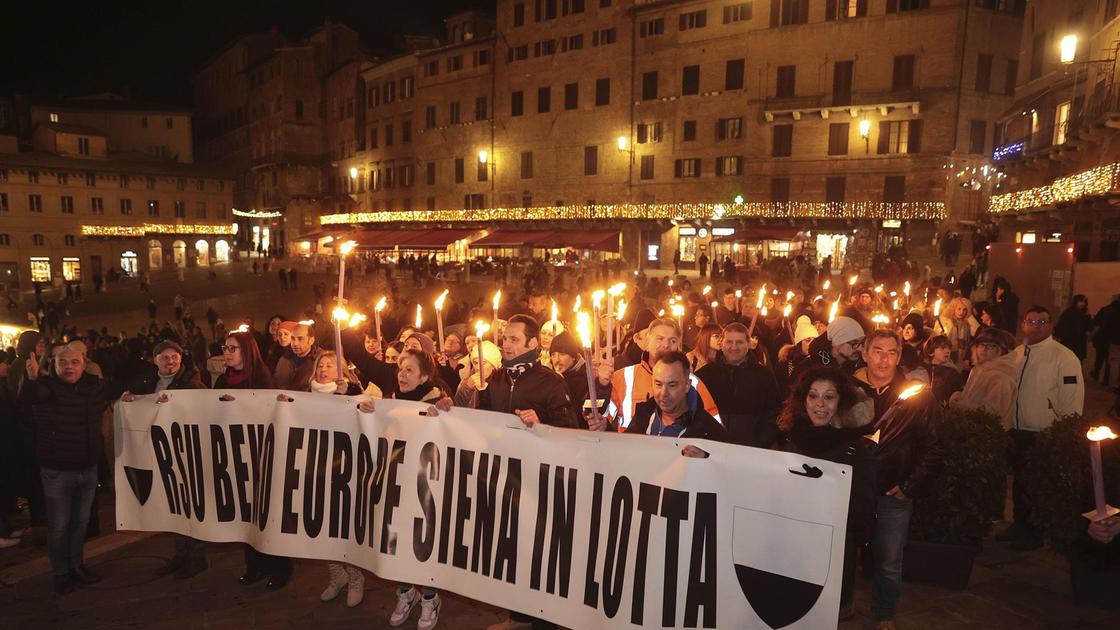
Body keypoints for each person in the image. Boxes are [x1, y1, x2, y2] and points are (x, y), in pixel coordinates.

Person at [19, 341, 123, 594]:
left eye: (75, 361)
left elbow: (125, 382)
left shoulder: (94, 387)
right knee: (59, 525)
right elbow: (27, 401)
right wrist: (31, 380)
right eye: (62, 362)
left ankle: (77, 565)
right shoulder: (45, 388)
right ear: (53, 364)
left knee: (80, 523)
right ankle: (60, 572)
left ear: (84, 363)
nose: (69, 366)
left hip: (87, 469)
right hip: (56, 471)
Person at [854, 330, 938, 629]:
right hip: (852, 487)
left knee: (889, 559)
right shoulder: (848, 388)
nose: (883, 359)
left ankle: (884, 613)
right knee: (843, 554)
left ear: (899, 356)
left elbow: (931, 444)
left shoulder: (914, 395)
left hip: (892, 491)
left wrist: (909, 486)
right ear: (864, 352)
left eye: (891, 352)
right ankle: (839, 606)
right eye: (877, 351)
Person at [777, 366, 875, 620]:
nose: (820, 404)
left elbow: (863, 508)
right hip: (795, 554)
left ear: (841, 401)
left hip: (834, 554)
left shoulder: (855, 449)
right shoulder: (791, 440)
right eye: (813, 396)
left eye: (829, 397)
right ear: (803, 400)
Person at [376, 348, 454, 629]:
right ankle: (406, 592)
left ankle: (430, 598)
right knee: (397, 539)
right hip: (398, 481)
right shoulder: (391, 401)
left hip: (426, 486)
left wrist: (446, 412)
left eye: (409, 370)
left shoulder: (438, 401)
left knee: (422, 541)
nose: (402, 374)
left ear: (423, 377)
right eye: (400, 368)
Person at [120, 341, 208, 580]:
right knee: (174, 504)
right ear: (155, 360)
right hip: (161, 453)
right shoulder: (146, 382)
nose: (171, 362)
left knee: (190, 504)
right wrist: (130, 399)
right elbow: (134, 402)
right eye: (165, 357)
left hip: (186, 453)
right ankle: (181, 553)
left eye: (175, 357)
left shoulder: (193, 382)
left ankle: (196, 556)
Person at [213, 332, 293, 589]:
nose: (227, 352)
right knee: (247, 517)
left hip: (262, 456)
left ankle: (280, 569)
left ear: (247, 351)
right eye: (225, 347)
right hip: (237, 456)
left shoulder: (261, 378)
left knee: (268, 514)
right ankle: (255, 566)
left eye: (233, 348)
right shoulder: (223, 381)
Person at [1004, 306, 1086, 551]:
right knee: (1019, 482)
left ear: (1051, 325)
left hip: (1043, 429)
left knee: (1036, 484)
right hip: (1017, 428)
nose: (1036, 326)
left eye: (1042, 322)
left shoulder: (1064, 356)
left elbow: (1071, 395)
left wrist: (1066, 427)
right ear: (1023, 325)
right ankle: (1019, 525)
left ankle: (1034, 532)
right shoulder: (1017, 353)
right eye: (1031, 321)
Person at [306, 351, 366, 608]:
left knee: (345, 525)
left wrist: (349, 392)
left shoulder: (352, 391)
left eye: (330, 365)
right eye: (320, 364)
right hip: (317, 468)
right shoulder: (305, 394)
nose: (323, 369)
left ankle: (355, 576)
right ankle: (336, 574)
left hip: (345, 469)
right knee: (323, 523)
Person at [600, 318, 720, 431]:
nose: (666, 345)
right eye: (660, 339)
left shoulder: (692, 382)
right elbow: (600, 415)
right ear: (647, 343)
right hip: (631, 447)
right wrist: (600, 385)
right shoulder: (623, 377)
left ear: (678, 347)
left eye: (672, 341)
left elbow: (714, 427)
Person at [477, 314, 576, 428]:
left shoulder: (552, 382)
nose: (506, 345)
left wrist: (540, 424)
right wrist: (452, 412)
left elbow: (569, 429)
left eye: (514, 340)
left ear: (532, 343)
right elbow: (481, 418)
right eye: (504, 339)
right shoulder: (497, 378)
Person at [696, 322, 782, 447]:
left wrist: (761, 441)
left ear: (748, 344)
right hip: (712, 447)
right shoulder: (706, 375)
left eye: (739, 342)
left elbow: (774, 411)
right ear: (721, 344)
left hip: (752, 449)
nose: (734, 347)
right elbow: (694, 408)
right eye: (729, 342)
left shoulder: (764, 376)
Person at [950, 327, 1018, 429]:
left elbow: (992, 413)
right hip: (970, 430)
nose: (984, 349)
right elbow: (972, 397)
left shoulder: (1001, 377)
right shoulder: (977, 369)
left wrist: (962, 406)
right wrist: (958, 396)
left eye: (991, 346)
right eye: (981, 344)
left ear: (1001, 350)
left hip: (987, 437)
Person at [546, 331, 594, 429]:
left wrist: (561, 384)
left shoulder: (587, 377)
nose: (557, 359)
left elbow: (579, 414)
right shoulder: (548, 377)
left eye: (562, 354)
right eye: (553, 354)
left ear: (573, 357)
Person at [273, 323, 323, 390]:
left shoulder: (321, 359)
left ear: (311, 340)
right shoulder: (285, 357)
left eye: (300, 339)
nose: (295, 344)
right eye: (293, 339)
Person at [921, 335, 964, 404]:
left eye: (949, 348)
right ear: (931, 351)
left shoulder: (953, 373)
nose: (947, 351)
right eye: (942, 348)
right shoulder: (922, 370)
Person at [1091, 294, 1120, 386]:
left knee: (1100, 358)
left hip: (1104, 338)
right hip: (1114, 339)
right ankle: (1106, 380)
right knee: (1111, 361)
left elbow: (1097, 322)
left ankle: (1096, 373)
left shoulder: (1105, 309)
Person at [938, 297, 979, 361]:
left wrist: (969, 316)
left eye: (964, 309)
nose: (961, 312)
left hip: (962, 356)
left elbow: (977, 331)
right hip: (946, 353)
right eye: (959, 309)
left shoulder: (967, 323)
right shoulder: (946, 321)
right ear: (953, 309)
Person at [1054, 294, 1093, 363]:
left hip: (1080, 342)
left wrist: (1087, 317)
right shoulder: (1069, 312)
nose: (1083, 304)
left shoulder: (1085, 313)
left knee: (1078, 361)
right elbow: (1062, 325)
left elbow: (1089, 327)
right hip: (1069, 341)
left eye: (1084, 302)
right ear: (1076, 302)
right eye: (1080, 301)